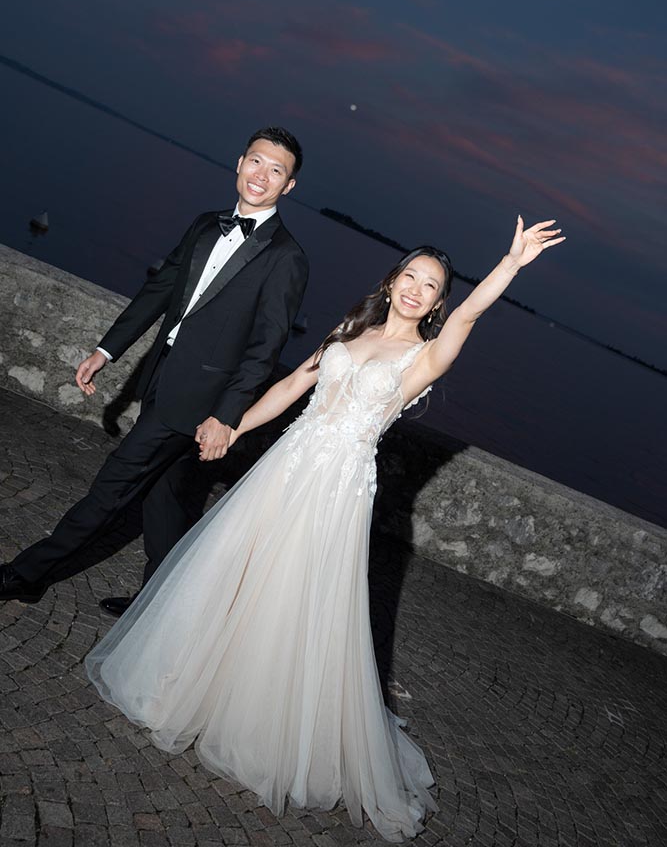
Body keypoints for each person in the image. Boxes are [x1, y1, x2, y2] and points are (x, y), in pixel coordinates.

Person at [84, 215, 565, 841]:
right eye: (410, 277)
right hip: (287, 464)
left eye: (431, 286)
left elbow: (470, 315)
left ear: (437, 303)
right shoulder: (350, 331)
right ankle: (197, 684)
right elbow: (291, 384)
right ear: (392, 282)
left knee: (297, 594)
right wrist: (232, 426)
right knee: (241, 570)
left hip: (337, 485)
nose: (417, 289)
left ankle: (264, 720)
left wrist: (511, 263)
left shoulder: (424, 358)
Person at [0, 126, 309, 615]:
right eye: (256, 161)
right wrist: (106, 351)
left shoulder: (286, 258)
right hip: (161, 377)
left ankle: (27, 574)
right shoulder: (206, 224)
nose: (261, 175)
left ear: (288, 186)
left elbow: (263, 350)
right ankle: (158, 605)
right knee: (164, 498)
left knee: (111, 487)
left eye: (276, 170)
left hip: (199, 402)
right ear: (239, 162)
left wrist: (225, 416)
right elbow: (159, 290)